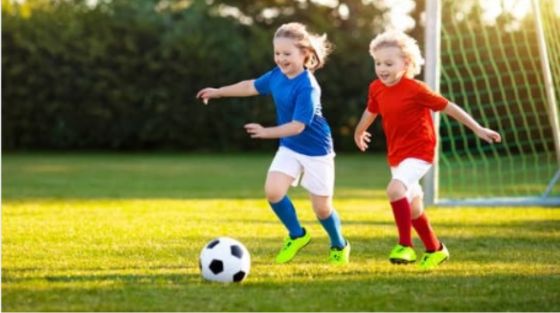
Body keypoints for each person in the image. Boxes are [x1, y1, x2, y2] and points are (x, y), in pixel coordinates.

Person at [196, 22, 350, 265]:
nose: (280, 58)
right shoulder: (277, 76)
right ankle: (297, 235)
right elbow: (249, 86)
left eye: (287, 54)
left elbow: (299, 126)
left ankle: (339, 244)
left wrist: (267, 132)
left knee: (322, 209)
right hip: (290, 146)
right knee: (273, 192)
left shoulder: (308, 87)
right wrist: (218, 92)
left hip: (316, 151)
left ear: (305, 54)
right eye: (277, 53)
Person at [354, 30, 501, 270]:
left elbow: (448, 107)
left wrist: (477, 128)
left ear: (406, 63)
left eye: (389, 63)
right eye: (378, 63)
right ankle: (435, 249)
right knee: (413, 208)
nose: (382, 68)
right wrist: (359, 131)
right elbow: (371, 111)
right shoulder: (376, 88)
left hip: (420, 151)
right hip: (397, 155)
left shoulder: (416, 89)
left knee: (394, 189)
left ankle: (405, 246)